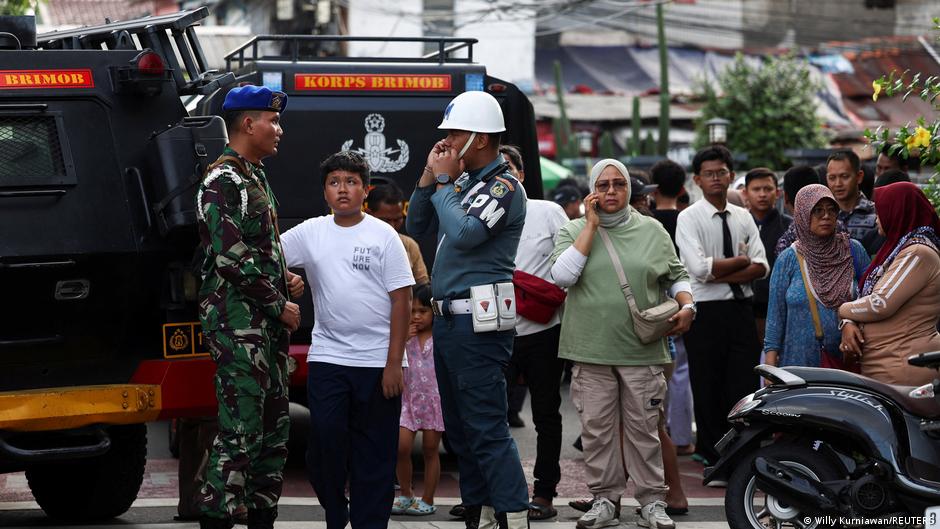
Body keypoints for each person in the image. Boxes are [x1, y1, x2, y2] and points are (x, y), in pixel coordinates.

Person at [405, 90, 529, 529]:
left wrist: (443, 184)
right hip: (450, 320)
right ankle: (480, 509)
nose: (448, 141)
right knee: (459, 428)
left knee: (486, 425)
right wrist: (427, 177)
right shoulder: (461, 183)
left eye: (455, 132)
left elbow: (465, 234)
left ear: (479, 138)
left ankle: (514, 512)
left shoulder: (504, 186)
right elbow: (415, 226)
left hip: (479, 321)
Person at [551, 159, 694, 529]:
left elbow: (677, 275)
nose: (611, 191)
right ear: (592, 190)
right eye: (603, 185)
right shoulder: (573, 230)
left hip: (642, 350)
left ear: (630, 188)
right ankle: (605, 500)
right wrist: (592, 226)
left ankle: (651, 502)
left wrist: (688, 304)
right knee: (597, 431)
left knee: (644, 429)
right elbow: (563, 275)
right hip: (589, 349)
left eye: (618, 184)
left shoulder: (653, 231)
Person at [280, 151, 415, 529]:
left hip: (378, 363)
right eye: (335, 182)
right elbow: (266, 256)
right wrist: (288, 279)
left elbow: (401, 300)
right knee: (324, 442)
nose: (343, 189)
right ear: (325, 191)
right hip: (329, 358)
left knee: (375, 454)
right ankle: (335, 510)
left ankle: (370, 523)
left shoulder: (383, 235)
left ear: (365, 190)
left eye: (351, 182)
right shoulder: (311, 232)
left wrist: (394, 363)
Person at [194, 84, 303, 529]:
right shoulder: (222, 181)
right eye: (272, 121)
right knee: (240, 435)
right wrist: (279, 302)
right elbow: (229, 255)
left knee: (272, 435)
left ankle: (262, 518)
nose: (279, 130)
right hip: (240, 327)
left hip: (264, 329)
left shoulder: (253, 176)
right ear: (247, 123)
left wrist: (285, 276)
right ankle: (218, 514)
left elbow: (258, 249)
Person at [676, 145, 768, 468]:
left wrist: (723, 268)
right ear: (697, 179)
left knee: (742, 384)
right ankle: (712, 453)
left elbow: (762, 266)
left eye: (722, 172)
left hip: (741, 308)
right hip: (706, 312)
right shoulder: (687, 218)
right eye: (709, 174)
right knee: (707, 383)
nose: (716, 178)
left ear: (731, 176)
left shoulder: (743, 216)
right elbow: (698, 270)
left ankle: (740, 450)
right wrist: (742, 261)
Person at [500, 144, 569, 520]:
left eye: (508, 167)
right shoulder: (480, 213)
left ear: (522, 174)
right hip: (494, 331)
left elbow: (572, 262)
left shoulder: (548, 212)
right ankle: (494, 491)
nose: (502, 175)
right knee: (490, 416)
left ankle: (544, 493)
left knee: (546, 414)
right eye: (495, 169)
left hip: (545, 330)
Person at [839, 182, 940, 386]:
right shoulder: (901, 248)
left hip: (904, 366)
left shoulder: (918, 253)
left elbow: (880, 303)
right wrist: (849, 322)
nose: (877, 218)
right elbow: (869, 298)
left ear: (898, 211)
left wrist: (842, 309)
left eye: (881, 211)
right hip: (889, 363)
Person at [763, 185, 869, 369]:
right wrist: (770, 367)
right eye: (817, 211)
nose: (826, 216)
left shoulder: (853, 250)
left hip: (846, 363)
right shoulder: (788, 259)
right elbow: (775, 318)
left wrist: (850, 319)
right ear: (803, 215)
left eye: (831, 210)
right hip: (797, 366)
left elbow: (872, 297)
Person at [649, 159, 694, 456]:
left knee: (652, 369)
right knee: (680, 371)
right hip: (683, 296)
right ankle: (680, 437)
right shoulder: (687, 220)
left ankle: (655, 432)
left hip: (652, 301)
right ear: (682, 188)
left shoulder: (647, 222)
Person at [392, 283, 444, 516]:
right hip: (408, 400)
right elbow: (392, 356)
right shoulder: (405, 335)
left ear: (434, 311)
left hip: (434, 401)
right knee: (401, 447)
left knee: (431, 450)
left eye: (422, 312)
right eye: (412, 311)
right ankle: (405, 493)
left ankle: (428, 498)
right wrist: (403, 338)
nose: (416, 317)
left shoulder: (440, 337)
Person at [742, 167, 791, 345]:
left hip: (780, 307)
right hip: (744, 306)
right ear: (745, 193)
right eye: (756, 189)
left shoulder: (789, 227)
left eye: (768, 189)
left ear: (777, 192)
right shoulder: (737, 225)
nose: (762, 194)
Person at [366, 182, 430, 285]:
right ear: (369, 214)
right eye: (385, 220)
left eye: (397, 219)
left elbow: (422, 287)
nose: (392, 226)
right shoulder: (354, 243)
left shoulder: (409, 245)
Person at [825, 150, 882, 256]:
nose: (838, 184)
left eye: (844, 176)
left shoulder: (877, 215)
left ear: (859, 177)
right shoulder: (822, 217)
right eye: (832, 178)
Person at [775, 165, 837, 255]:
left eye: (831, 209)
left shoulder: (786, 244)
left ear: (785, 197)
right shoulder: (844, 234)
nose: (826, 217)